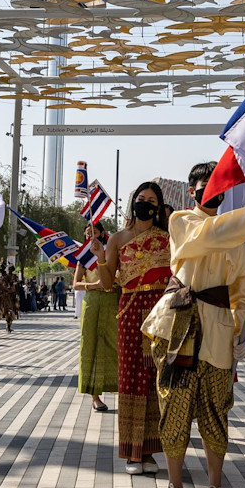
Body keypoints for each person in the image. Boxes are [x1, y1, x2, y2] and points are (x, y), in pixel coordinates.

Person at [153, 163, 245, 488]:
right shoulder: (182, 221)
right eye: (202, 187)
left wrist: (244, 334)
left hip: (218, 331)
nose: (209, 193)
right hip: (180, 326)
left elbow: (244, 289)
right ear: (193, 191)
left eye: (215, 187)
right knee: (175, 410)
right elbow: (211, 234)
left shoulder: (237, 240)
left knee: (216, 412)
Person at [106, 181, 171, 471]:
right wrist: (98, 256)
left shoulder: (169, 238)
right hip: (130, 311)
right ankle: (132, 452)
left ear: (158, 207)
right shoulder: (117, 239)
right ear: (134, 201)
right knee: (131, 378)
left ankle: (149, 452)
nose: (146, 203)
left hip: (160, 312)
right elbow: (108, 283)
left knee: (156, 378)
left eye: (152, 199)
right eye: (141, 198)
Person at [76, 230, 119, 412]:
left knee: (117, 345)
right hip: (92, 303)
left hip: (113, 302)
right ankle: (95, 397)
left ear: (102, 233)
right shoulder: (84, 257)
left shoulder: (113, 252)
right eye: (87, 233)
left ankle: (121, 389)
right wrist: (93, 285)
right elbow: (76, 283)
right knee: (91, 345)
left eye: (94, 232)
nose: (90, 236)